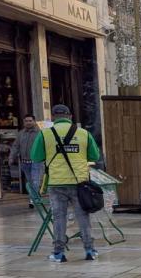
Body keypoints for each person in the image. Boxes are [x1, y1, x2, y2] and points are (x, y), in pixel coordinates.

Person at [29, 104, 101, 262]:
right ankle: (90, 250)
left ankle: (58, 253)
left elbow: (35, 157)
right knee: (83, 217)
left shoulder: (45, 134)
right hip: (79, 183)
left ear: (53, 117)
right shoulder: (83, 133)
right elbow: (94, 156)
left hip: (56, 183)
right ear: (70, 116)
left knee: (59, 217)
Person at [9, 113, 42, 207]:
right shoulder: (21, 134)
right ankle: (36, 197)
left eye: (30, 121)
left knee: (35, 181)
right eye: (26, 121)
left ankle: (33, 200)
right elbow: (15, 146)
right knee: (31, 182)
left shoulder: (40, 133)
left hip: (37, 162)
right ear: (24, 122)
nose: (28, 123)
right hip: (25, 162)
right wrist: (12, 157)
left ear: (34, 121)